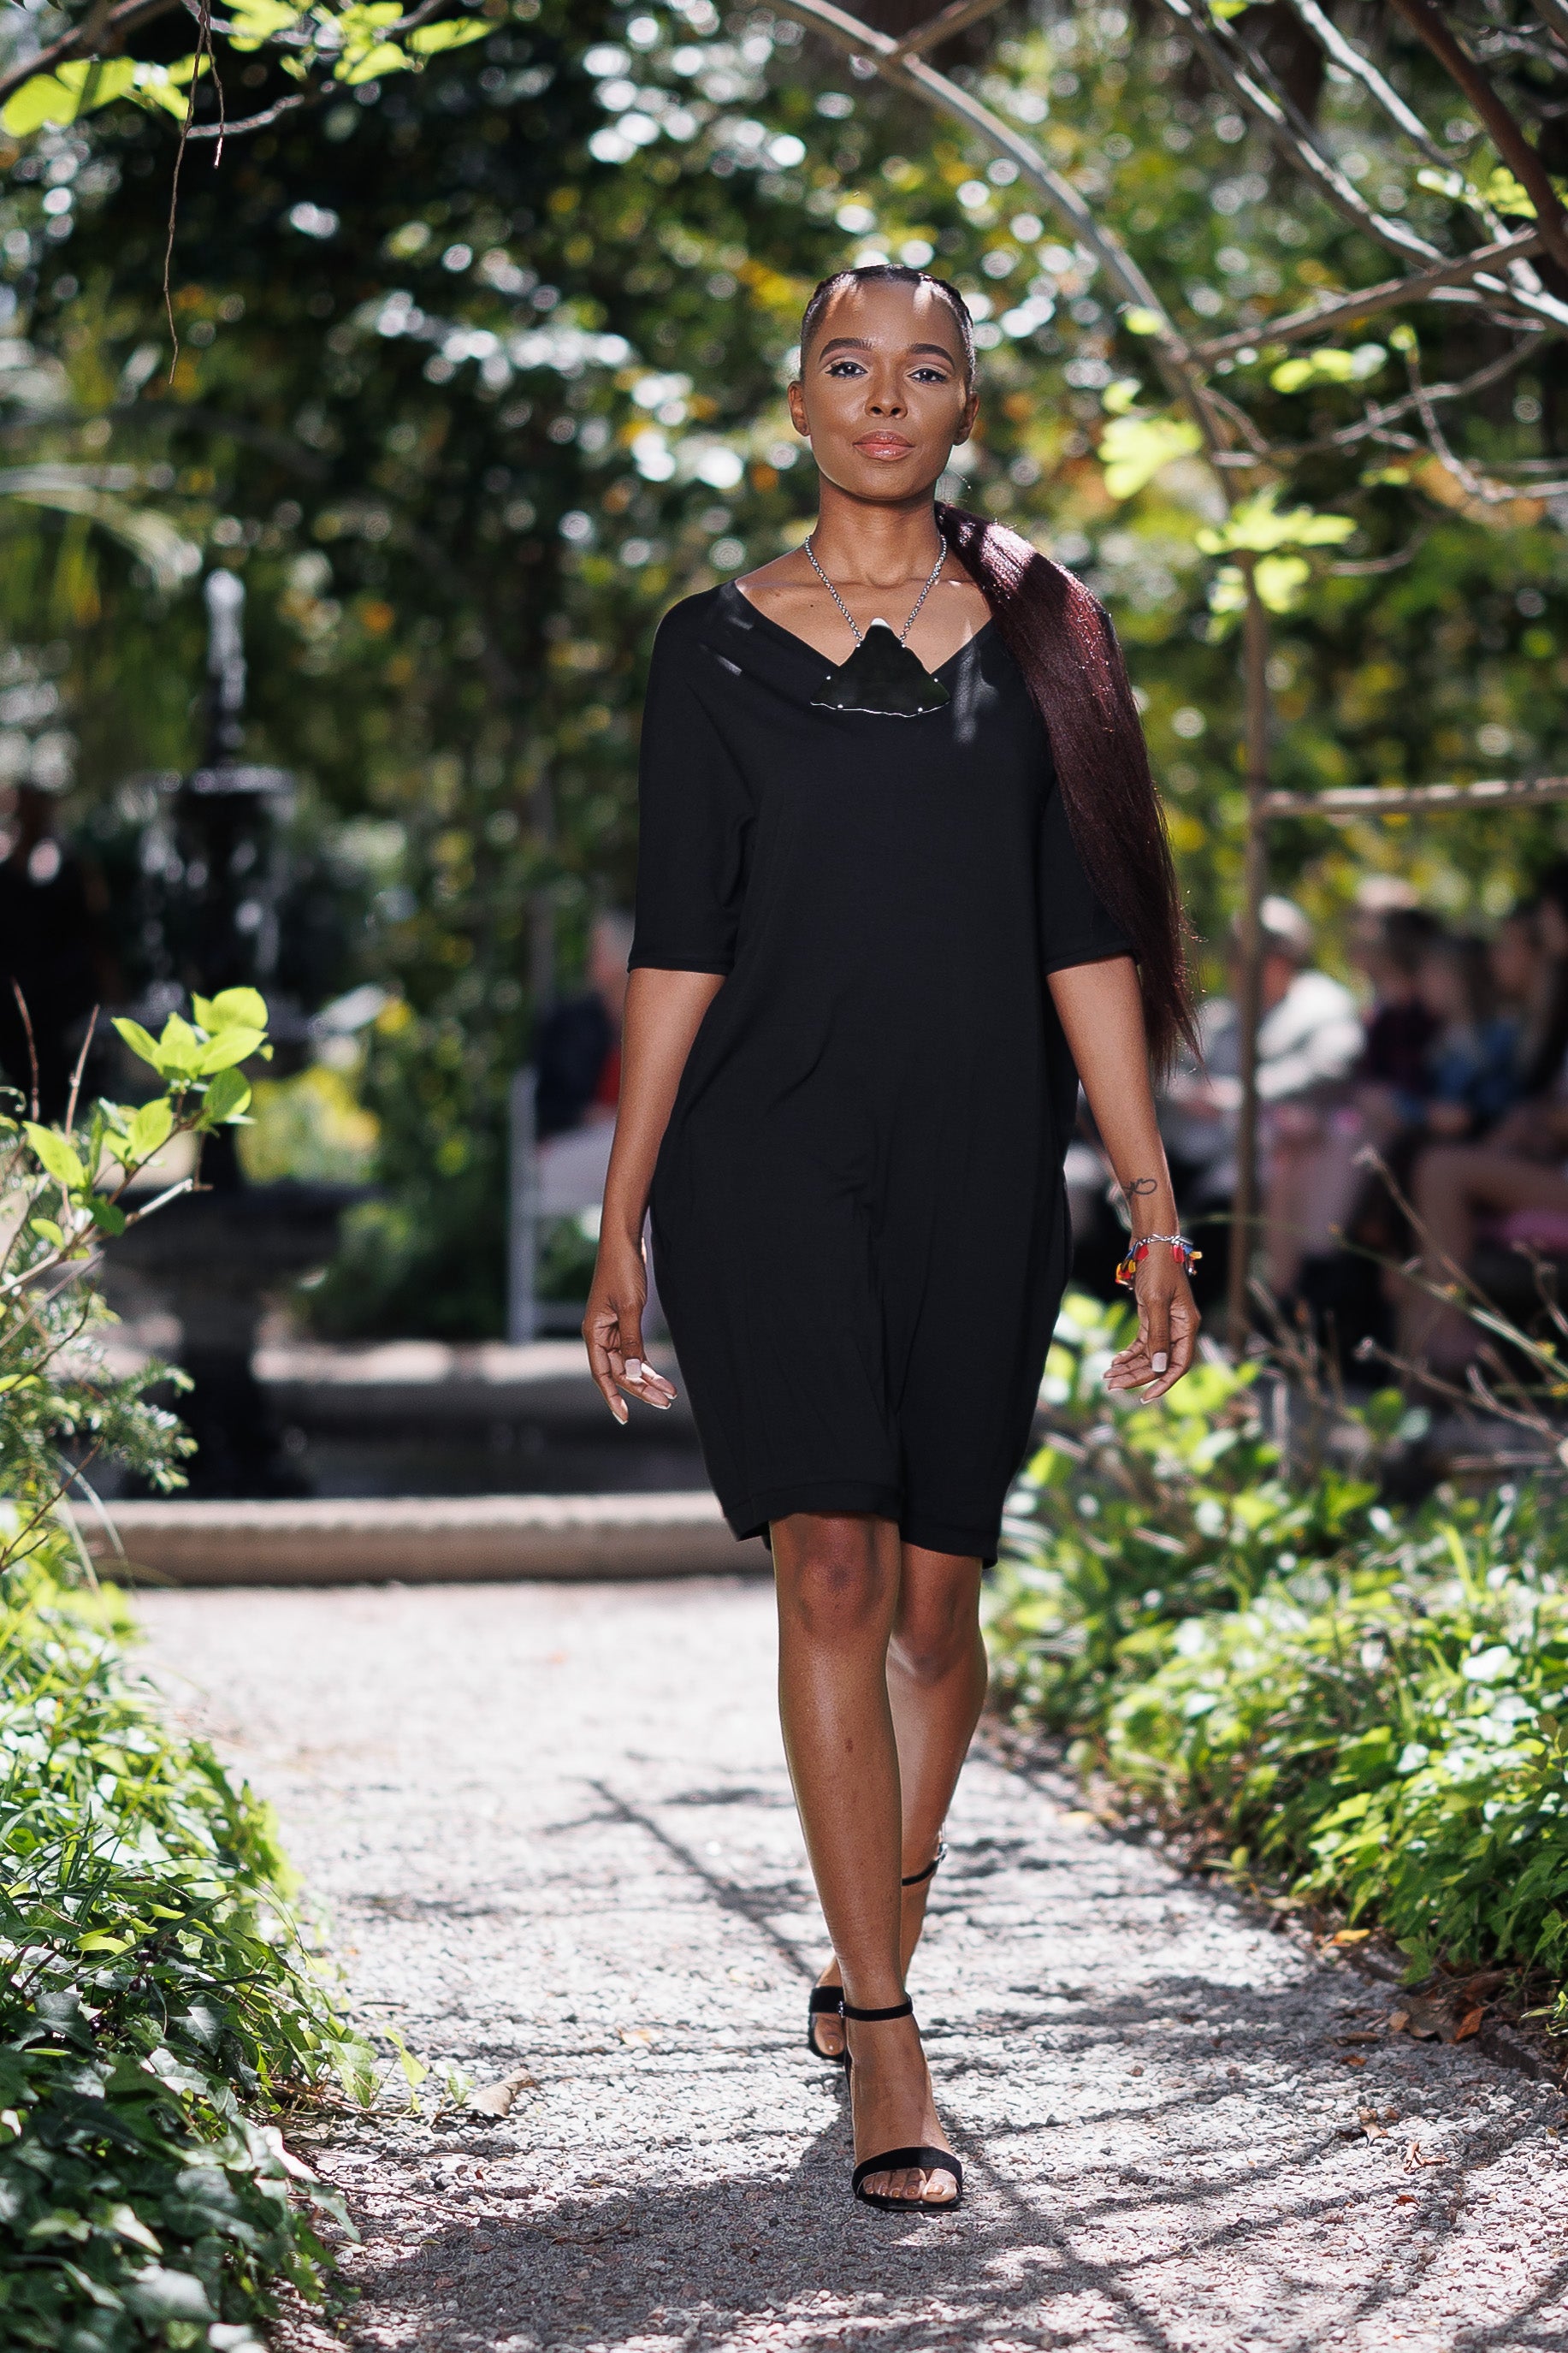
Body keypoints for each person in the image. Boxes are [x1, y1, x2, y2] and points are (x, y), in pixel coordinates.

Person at [581, 264, 1199, 2214]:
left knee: (937, 1605)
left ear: (960, 408)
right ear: (795, 401)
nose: (880, 395)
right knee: (831, 1566)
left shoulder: (1043, 636)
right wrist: (620, 1212)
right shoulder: (705, 648)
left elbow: (1082, 937)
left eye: (921, 368)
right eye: (845, 364)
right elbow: (678, 938)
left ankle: (874, 1936)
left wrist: (1150, 1207)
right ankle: (883, 2025)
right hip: (758, 1157)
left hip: (979, 1161)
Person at [534, 910, 635, 1140]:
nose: (591, 961)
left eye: (598, 953)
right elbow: (548, 1103)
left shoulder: (653, 1021)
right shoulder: (569, 1023)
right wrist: (586, 1115)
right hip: (574, 1141)